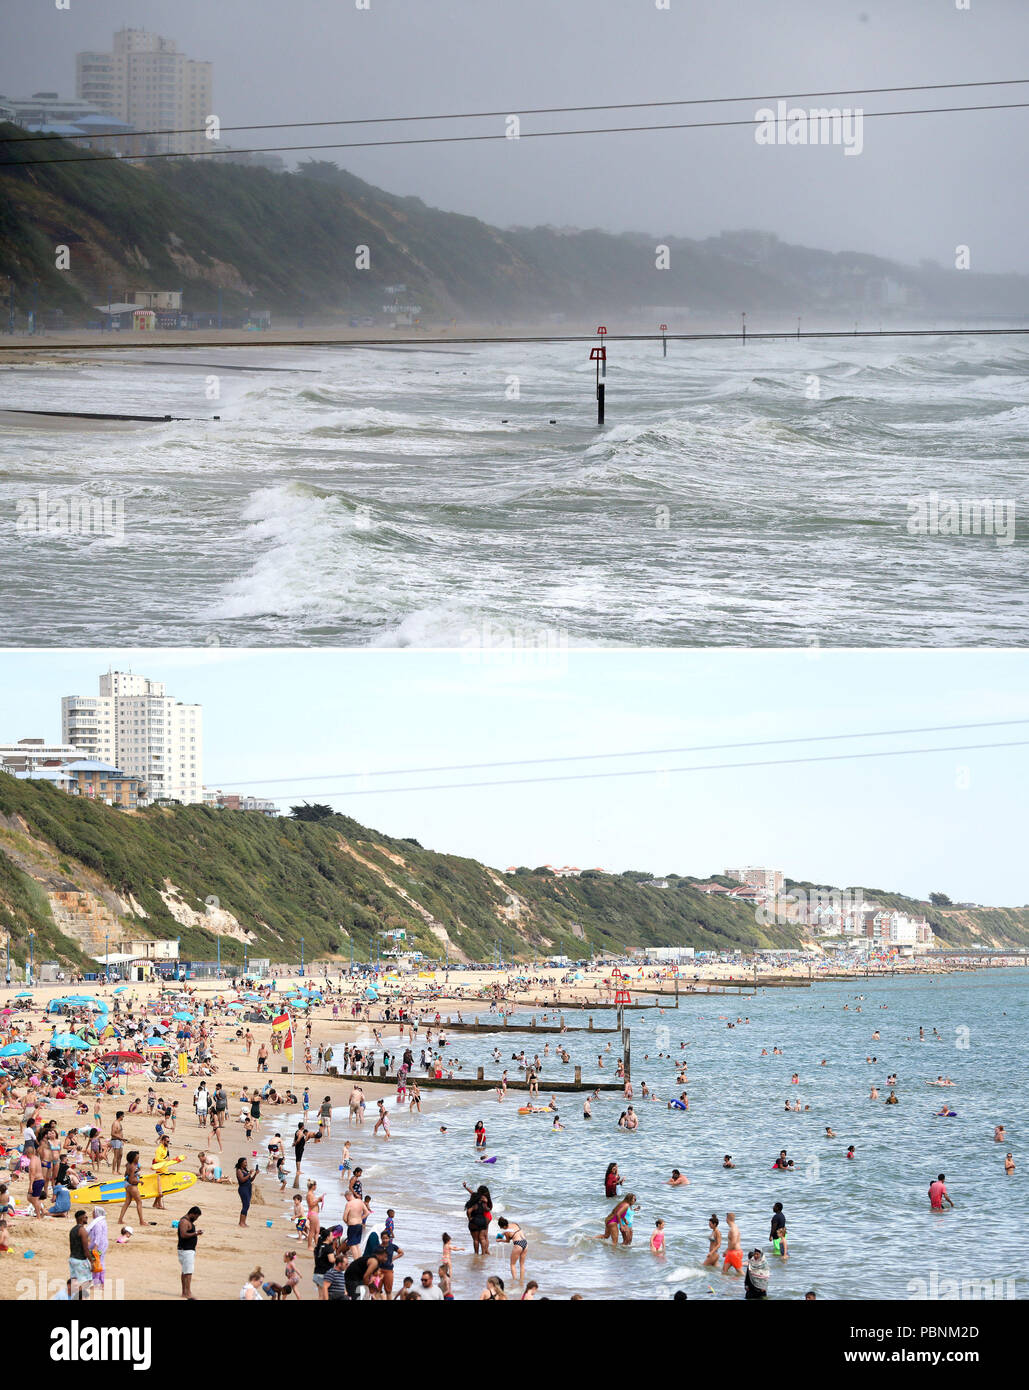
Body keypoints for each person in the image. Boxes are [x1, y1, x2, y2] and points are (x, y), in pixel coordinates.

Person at [68, 1209, 91, 1300]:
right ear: (81, 1218)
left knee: (74, 1281)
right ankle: (78, 1298)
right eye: (86, 1217)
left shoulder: (72, 1230)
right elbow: (86, 1249)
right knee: (87, 1281)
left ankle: (74, 1297)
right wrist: (92, 1262)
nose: (87, 1218)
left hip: (72, 1259)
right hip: (80, 1260)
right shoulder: (83, 1231)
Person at [497, 1216, 528, 1282]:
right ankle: (521, 1281)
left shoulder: (506, 1231)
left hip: (518, 1244)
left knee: (512, 1264)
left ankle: (514, 1281)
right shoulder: (515, 1224)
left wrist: (500, 1240)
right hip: (525, 1243)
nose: (502, 1228)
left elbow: (507, 1241)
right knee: (522, 1264)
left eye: (501, 1227)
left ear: (504, 1226)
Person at [236, 1156, 257, 1227]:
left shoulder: (245, 1171)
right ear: (241, 1163)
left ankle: (243, 1222)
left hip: (248, 1188)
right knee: (245, 1205)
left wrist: (255, 1174)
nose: (246, 1163)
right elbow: (242, 1180)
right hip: (243, 1189)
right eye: (245, 1162)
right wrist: (249, 1174)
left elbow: (250, 1180)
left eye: (246, 1162)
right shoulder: (239, 1170)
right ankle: (241, 1222)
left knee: (247, 1205)